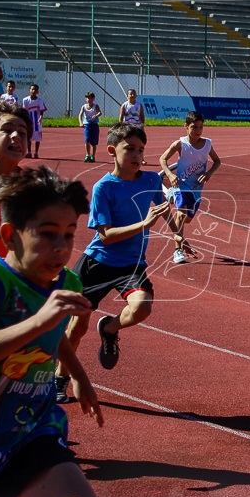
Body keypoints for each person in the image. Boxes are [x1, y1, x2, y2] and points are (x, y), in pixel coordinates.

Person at [0, 166, 103, 497]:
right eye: (47, 234)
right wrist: (39, 320)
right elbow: (41, 328)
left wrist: (80, 376)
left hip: (28, 431)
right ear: (10, 235)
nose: (61, 248)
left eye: (69, 235)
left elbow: (52, 340)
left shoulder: (66, 282)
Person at [53, 123, 169, 397]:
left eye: (141, 150)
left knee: (142, 308)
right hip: (98, 261)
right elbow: (105, 236)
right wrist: (144, 223)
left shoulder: (151, 180)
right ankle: (60, 377)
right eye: (129, 148)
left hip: (131, 264)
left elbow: (163, 209)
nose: (137, 155)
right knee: (77, 326)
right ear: (111, 151)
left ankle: (108, 327)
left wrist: (178, 234)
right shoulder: (103, 188)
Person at [158, 111, 220, 264]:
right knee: (180, 214)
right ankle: (177, 250)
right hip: (181, 184)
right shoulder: (180, 144)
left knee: (188, 219)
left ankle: (171, 195)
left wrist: (208, 173)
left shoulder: (207, 144)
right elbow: (163, 159)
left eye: (200, 127)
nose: (198, 131)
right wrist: (170, 175)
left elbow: (217, 161)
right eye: (194, 127)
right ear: (186, 126)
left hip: (196, 187)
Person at [0, 101, 32, 260]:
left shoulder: (33, 189)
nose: (16, 136)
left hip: (12, 277)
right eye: (7, 130)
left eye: (22, 133)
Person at [119, 89, 146, 164]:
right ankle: (125, 157)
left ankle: (141, 158)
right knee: (127, 142)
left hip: (137, 126)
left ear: (136, 96)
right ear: (127, 95)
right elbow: (121, 116)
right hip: (128, 126)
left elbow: (142, 116)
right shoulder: (124, 105)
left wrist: (142, 125)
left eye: (134, 94)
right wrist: (121, 126)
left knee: (139, 142)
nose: (132, 95)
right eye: (130, 94)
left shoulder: (139, 105)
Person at [21, 84, 46, 160]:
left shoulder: (40, 101)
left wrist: (40, 118)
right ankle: (29, 152)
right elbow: (24, 111)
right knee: (29, 136)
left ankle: (36, 152)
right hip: (29, 121)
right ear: (29, 90)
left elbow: (42, 111)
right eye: (32, 89)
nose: (34, 91)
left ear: (38, 91)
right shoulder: (25, 100)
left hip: (37, 122)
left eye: (35, 90)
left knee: (38, 137)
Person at [77, 92, 102, 163]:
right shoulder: (84, 107)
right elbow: (80, 115)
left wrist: (96, 115)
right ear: (85, 99)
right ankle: (87, 155)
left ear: (93, 99)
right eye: (87, 98)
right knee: (87, 140)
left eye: (90, 98)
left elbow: (100, 112)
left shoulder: (95, 106)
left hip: (94, 125)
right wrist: (80, 122)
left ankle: (93, 155)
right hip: (87, 125)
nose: (89, 99)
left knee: (94, 142)